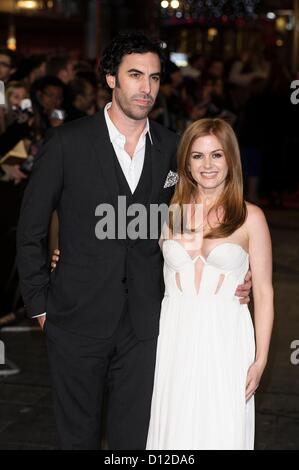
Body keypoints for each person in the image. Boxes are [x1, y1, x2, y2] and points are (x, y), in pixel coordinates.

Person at [17, 32, 251, 450]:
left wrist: (236, 269)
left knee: (135, 443)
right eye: (135, 75)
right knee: (78, 439)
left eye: (155, 78)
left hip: (148, 326)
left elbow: (198, 219)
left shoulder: (174, 149)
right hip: (74, 320)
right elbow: (31, 229)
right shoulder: (67, 143)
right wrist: (39, 306)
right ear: (110, 78)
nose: (146, 88)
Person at [146, 118, 274, 450]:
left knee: (221, 428)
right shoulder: (166, 213)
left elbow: (263, 291)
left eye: (217, 155)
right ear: (185, 162)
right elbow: (126, 260)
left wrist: (261, 360)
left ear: (231, 159)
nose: (208, 165)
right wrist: (63, 254)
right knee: (175, 429)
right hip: (175, 335)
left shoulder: (251, 218)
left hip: (227, 337)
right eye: (198, 156)